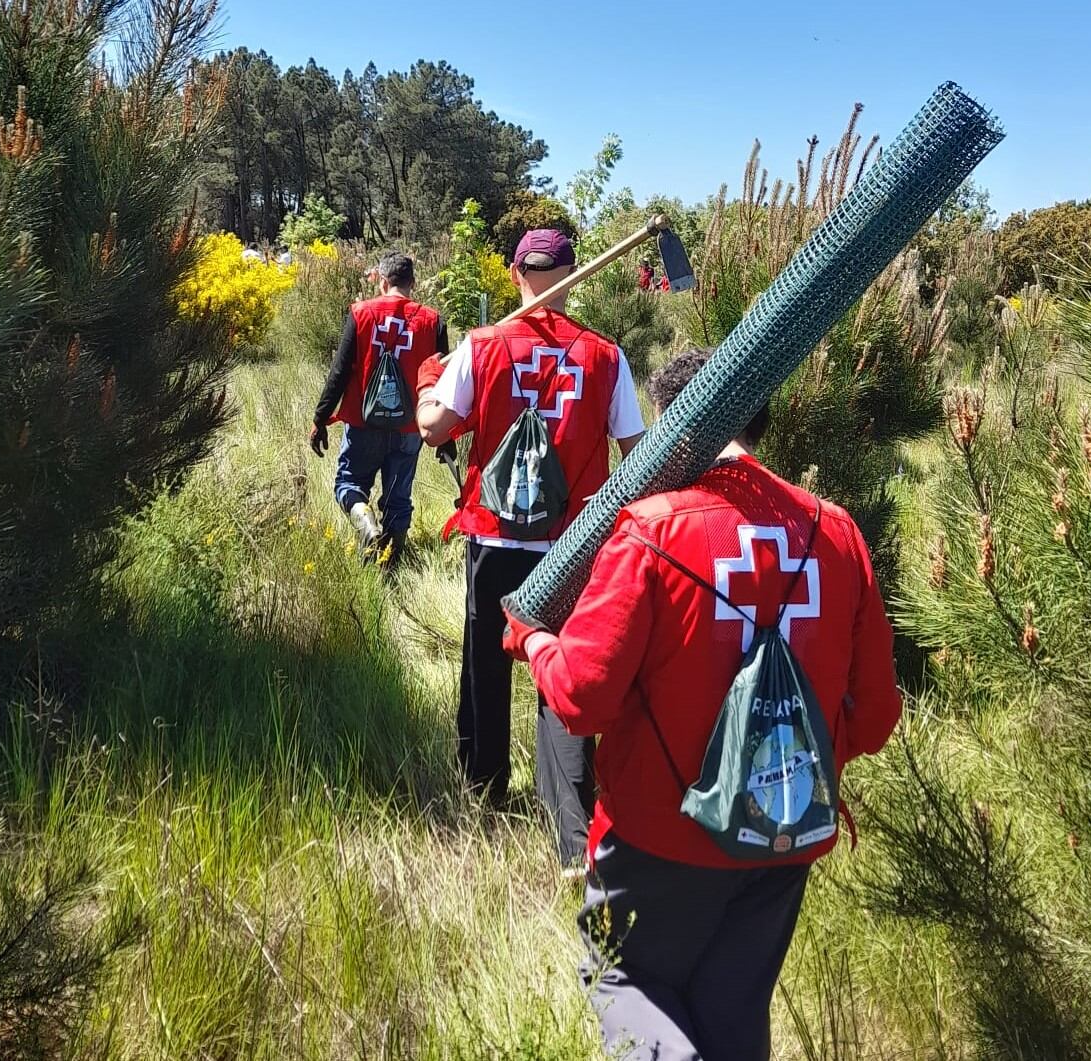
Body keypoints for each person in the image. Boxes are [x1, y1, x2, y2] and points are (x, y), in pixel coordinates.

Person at [501, 347, 902, 1060]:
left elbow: (581, 698)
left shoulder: (650, 528)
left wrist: (532, 641)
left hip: (659, 839)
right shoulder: (836, 530)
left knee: (624, 978)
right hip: (784, 834)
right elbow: (873, 720)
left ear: (672, 424)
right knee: (733, 1011)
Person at [417, 228, 646, 867]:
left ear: (517, 275)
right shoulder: (606, 356)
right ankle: (573, 833)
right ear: (573, 275)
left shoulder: (483, 347)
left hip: (495, 538)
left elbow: (433, 428)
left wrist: (431, 381)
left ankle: (483, 789)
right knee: (564, 678)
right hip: (573, 547)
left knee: (485, 667)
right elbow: (638, 455)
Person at [310, 252, 448, 567]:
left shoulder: (361, 313)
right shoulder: (432, 321)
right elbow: (443, 383)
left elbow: (339, 372)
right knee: (399, 499)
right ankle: (391, 565)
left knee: (349, 484)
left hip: (363, 423)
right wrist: (445, 437)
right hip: (410, 428)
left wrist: (320, 419)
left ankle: (366, 524)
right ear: (412, 284)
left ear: (383, 282)